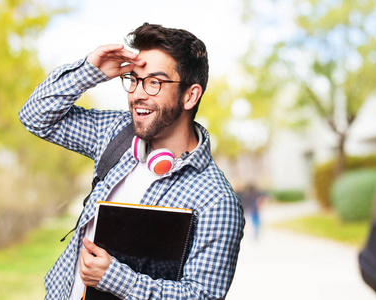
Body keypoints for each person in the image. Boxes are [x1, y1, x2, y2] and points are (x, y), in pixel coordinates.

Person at [19, 23, 245, 300]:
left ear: (190, 95)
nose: (137, 93)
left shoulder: (216, 200)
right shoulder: (116, 133)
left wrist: (116, 279)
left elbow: (202, 295)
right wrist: (90, 71)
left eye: (154, 82)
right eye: (134, 79)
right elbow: (34, 116)